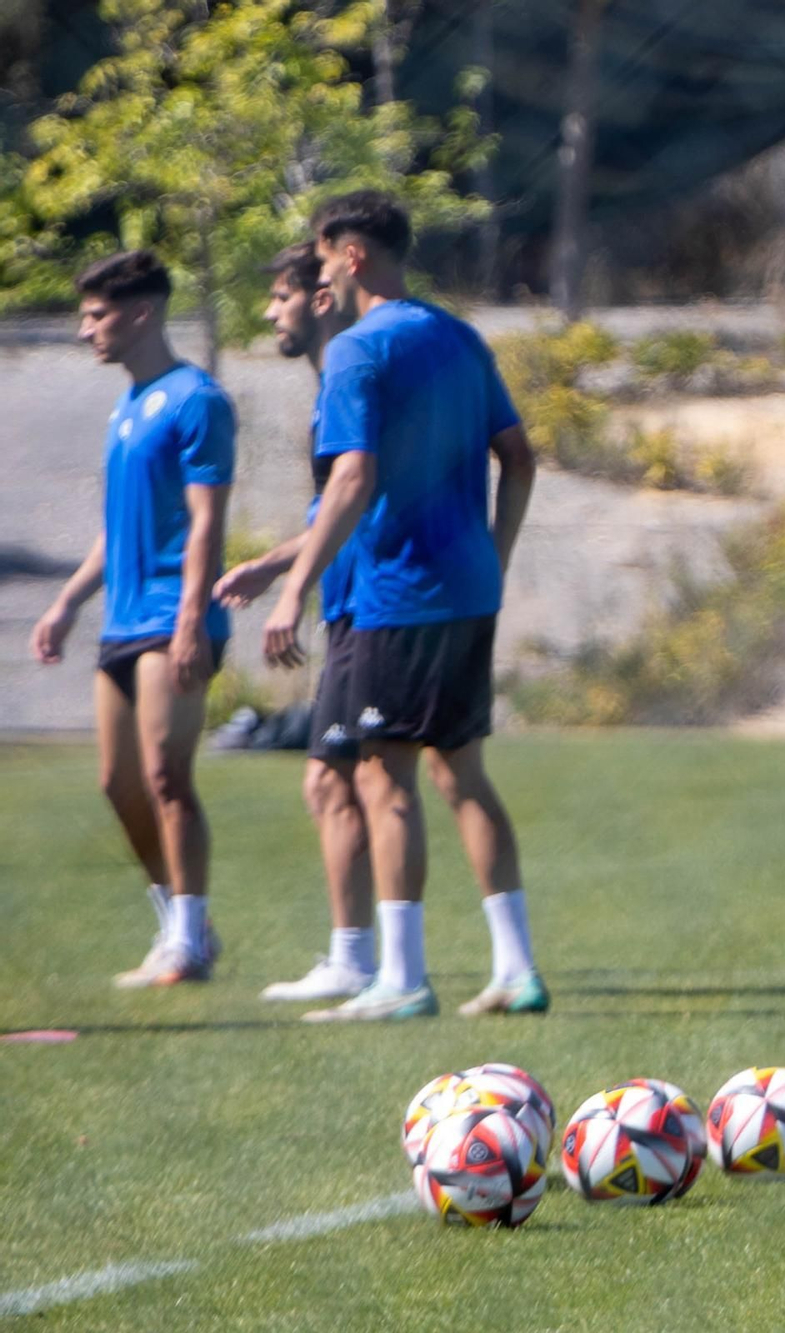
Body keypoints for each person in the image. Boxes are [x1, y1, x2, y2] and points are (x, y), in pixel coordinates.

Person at [261, 191, 544, 1023]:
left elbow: (352, 480)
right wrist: (493, 556)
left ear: (351, 256)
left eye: (319, 257)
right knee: (463, 774)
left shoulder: (357, 351)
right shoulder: (459, 336)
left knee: (385, 776)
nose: (314, 273)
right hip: (464, 588)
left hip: (398, 593)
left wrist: (292, 585)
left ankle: (403, 979)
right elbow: (520, 461)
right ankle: (516, 969)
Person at [30, 250, 235, 987]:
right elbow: (121, 526)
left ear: (142, 311)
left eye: (97, 314)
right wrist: (69, 600)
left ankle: (185, 944)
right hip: (120, 620)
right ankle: (183, 924)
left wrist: (190, 621)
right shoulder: (128, 407)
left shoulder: (196, 399)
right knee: (118, 783)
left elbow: (207, 523)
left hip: (171, 616)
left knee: (166, 775)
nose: (86, 330)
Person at [213, 242, 373, 1003]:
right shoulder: (330, 386)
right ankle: (370, 956)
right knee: (357, 777)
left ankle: (364, 960)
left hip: (373, 605)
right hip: (353, 602)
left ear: (319, 298)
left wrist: (289, 590)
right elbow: (329, 514)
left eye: (280, 297)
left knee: (338, 778)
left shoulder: (348, 375)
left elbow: (358, 494)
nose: (269, 313)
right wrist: (274, 567)